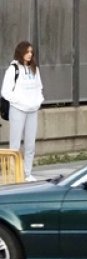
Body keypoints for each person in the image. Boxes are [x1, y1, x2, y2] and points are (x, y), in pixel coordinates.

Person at [3, 41, 44, 182]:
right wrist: (19, 101)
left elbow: (39, 87)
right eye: (27, 52)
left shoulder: (35, 69)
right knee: (15, 144)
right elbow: (5, 91)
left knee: (30, 144)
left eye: (31, 52)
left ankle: (27, 173)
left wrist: (38, 101)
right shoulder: (13, 69)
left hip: (33, 110)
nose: (29, 54)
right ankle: (14, 174)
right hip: (18, 110)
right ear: (21, 52)